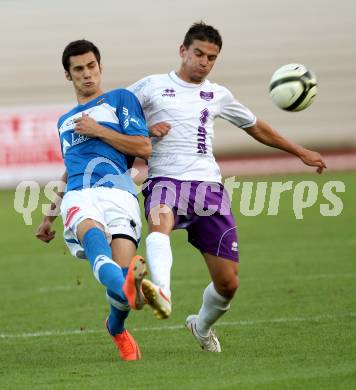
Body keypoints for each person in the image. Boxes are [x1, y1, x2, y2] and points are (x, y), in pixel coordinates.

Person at [125, 22, 327, 353]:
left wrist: (300, 151)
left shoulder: (218, 95)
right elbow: (118, 114)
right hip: (165, 180)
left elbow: (256, 127)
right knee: (159, 222)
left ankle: (201, 326)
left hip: (208, 189)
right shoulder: (151, 86)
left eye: (211, 57)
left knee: (228, 282)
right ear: (183, 51)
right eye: (198, 54)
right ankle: (162, 290)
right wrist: (144, 129)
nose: (204, 62)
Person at [35, 39, 163, 361]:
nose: (87, 74)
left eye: (92, 66)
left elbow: (143, 148)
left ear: (100, 67)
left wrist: (98, 130)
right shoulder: (64, 121)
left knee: (119, 290)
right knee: (96, 246)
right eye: (79, 69)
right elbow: (69, 168)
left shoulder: (121, 100)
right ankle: (134, 288)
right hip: (80, 194)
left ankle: (116, 326)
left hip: (119, 192)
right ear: (69, 75)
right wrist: (49, 216)